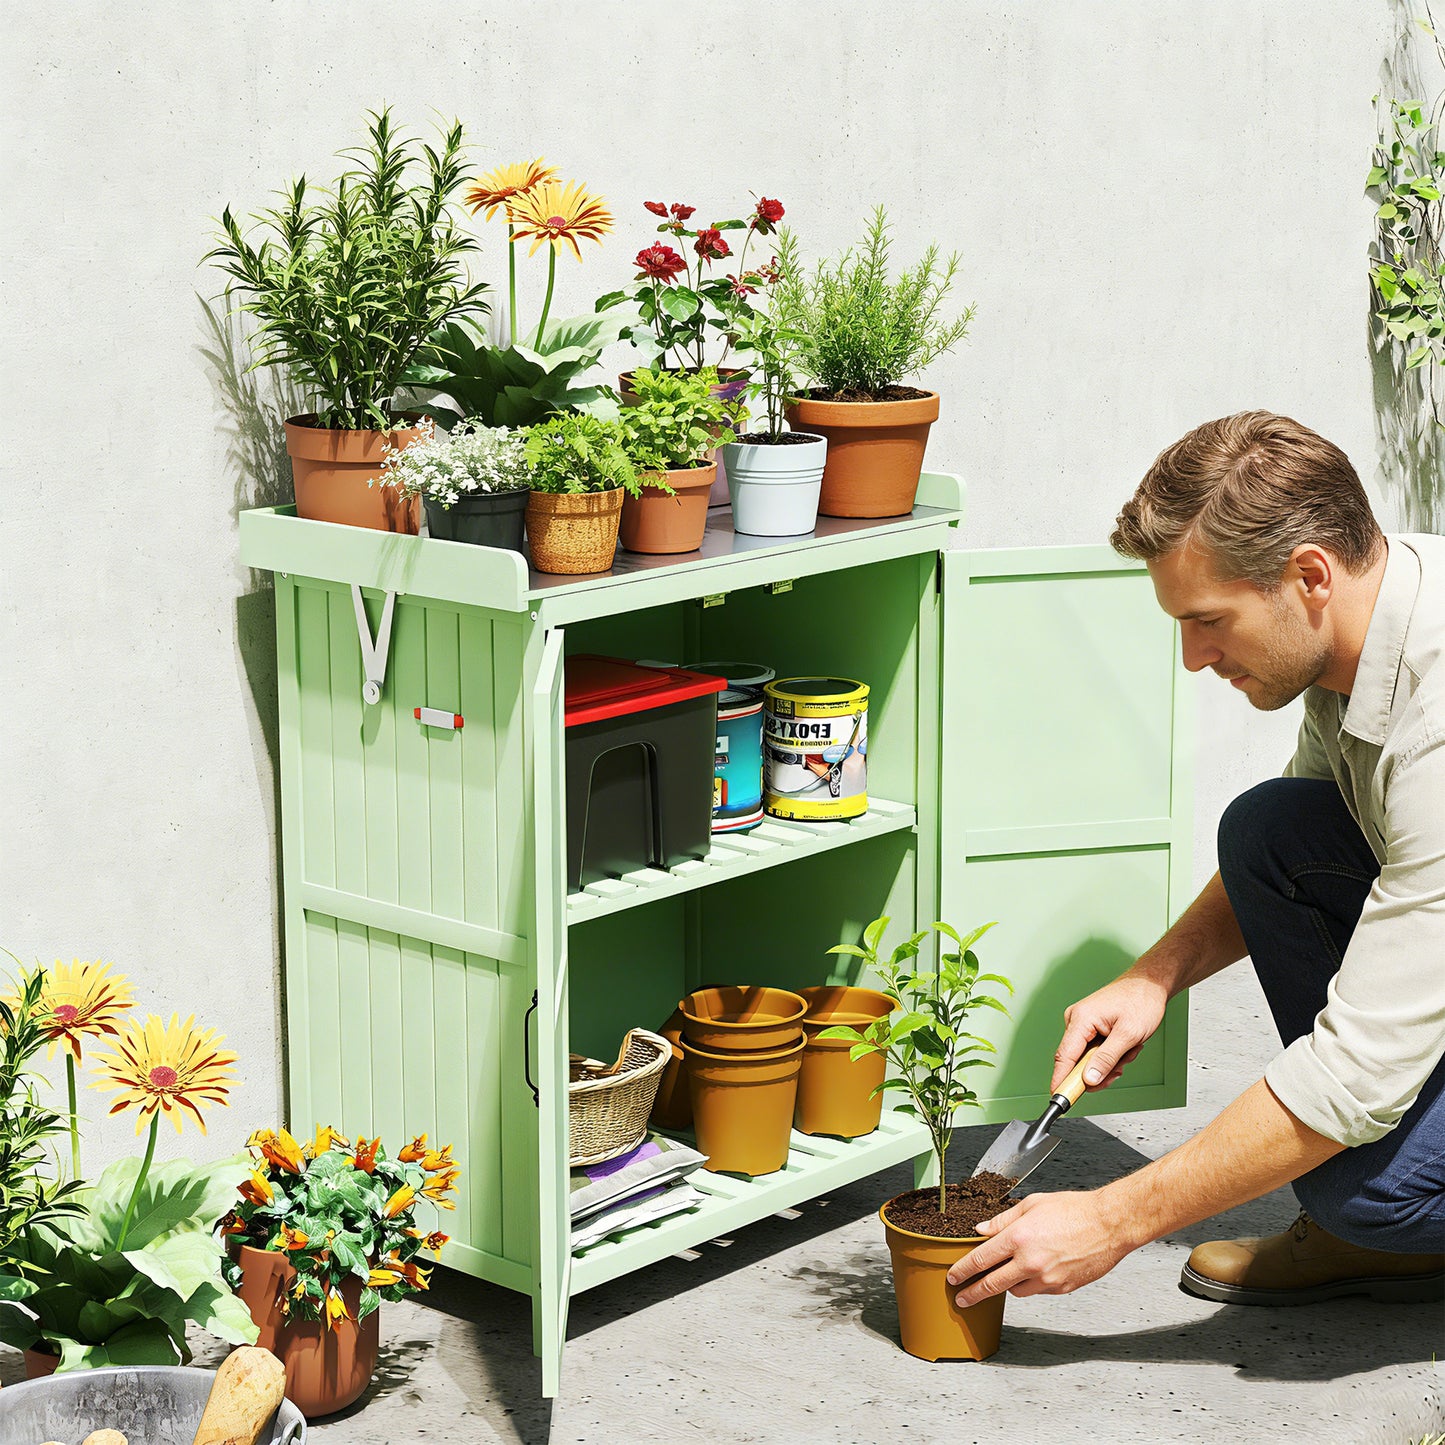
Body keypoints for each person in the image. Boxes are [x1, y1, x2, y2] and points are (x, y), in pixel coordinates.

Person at [947, 411, 1444, 1309]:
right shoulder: (1364, 626)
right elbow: (1310, 837)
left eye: (1208, 620)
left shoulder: (1437, 717)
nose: (1191, 657)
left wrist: (1112, 1218)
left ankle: (1395, 1231)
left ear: (1308, 575)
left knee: (1372, 1193)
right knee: (1272, 830)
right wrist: (1153, 976)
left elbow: (1355, 1073)